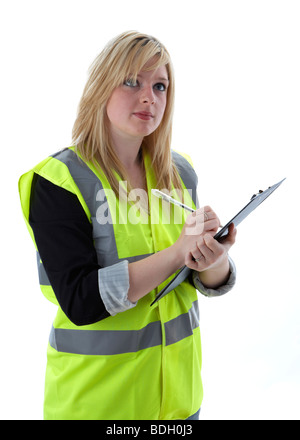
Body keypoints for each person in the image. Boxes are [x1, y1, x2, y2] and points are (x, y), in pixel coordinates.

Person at [19, 31, 237, 420]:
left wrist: (213, 258)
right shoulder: (58, 180)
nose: (149, 97)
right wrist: (176, 253)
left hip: (180, 404)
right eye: (131, 81)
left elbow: (198, 277)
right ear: (101, 86)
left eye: (160, 86)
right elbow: (80, 299)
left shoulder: (179, 171)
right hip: (97, 405)